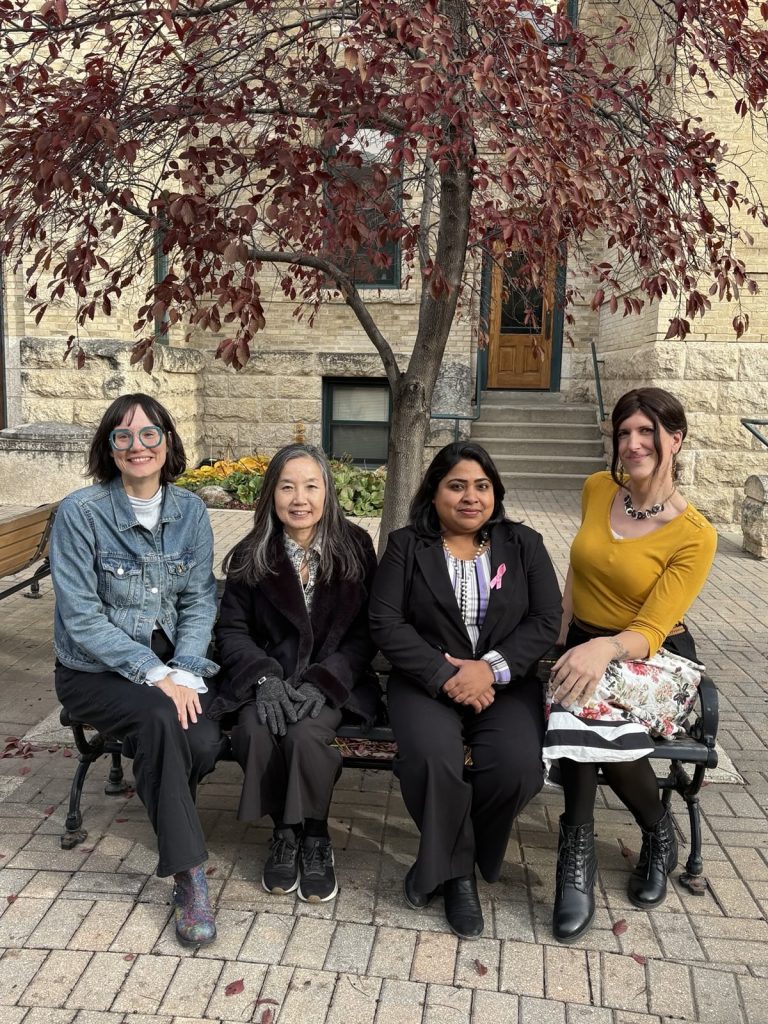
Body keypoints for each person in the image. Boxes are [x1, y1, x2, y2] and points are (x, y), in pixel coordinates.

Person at [544, 387, 717, 944]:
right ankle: (658, 828)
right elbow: (580, 570)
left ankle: (577, 857)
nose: (634, 443)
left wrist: (600, 649)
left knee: (577, 701)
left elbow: (650, 629)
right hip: (586, 645)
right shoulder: (597, 489)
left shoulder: (696, 534)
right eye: (625, 433)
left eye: (647, 432)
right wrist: (563, 629)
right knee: (582, 706)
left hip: (655, 659)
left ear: (675, 439)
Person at [50, 394, 224, 948]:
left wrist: (188, 669)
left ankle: (171, 812)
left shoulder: (191, 511)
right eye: (122, 436)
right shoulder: (81, 513)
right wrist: (154, 673)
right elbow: (80, 616)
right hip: (92, 671)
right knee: (159, 721)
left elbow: (199, 599)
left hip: (172, 667)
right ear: (108, 447)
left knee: (201, 742)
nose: (137, 446)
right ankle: (188, 875)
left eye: (150, 434)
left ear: (168, 442)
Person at [369, 441, 561, 939]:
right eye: (456, 486)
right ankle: (457, 876)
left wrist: (490, 669)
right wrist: (446, 674)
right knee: (432, 757)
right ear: (434, 493)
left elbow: (545, 620)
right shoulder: (405, 546)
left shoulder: (524, 544)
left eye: (482, 486)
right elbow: (385, 622)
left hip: (504, 685)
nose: (470, 497)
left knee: (517, 767)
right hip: (425, 683)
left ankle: (443, 856)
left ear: (495, 492)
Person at [208, 444, 379, 904]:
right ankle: (285, 832)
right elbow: (232, 628)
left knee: (305, 735)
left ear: (328, 493)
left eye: (310, 486)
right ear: (271, 494)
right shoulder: (252, 552)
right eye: (287, 487)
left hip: (331, 684)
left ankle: (316, 836)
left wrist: (324, 681)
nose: (299, 498)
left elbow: (366, 633)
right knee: (256, 731)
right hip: (268, 683)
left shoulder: (356, 547)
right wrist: (264, 678)